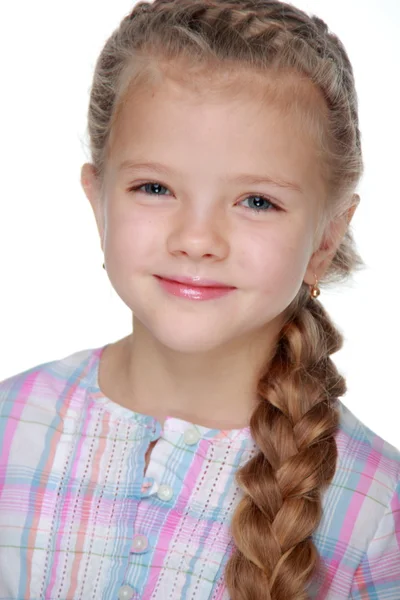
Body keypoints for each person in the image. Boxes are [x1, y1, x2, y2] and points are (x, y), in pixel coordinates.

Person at [0, 0, 399, 598]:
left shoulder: (376, 512)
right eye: (154, 187)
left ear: (326, 237)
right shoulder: (9, 430)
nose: (197, 240)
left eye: (257, 201)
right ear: (97, 201)